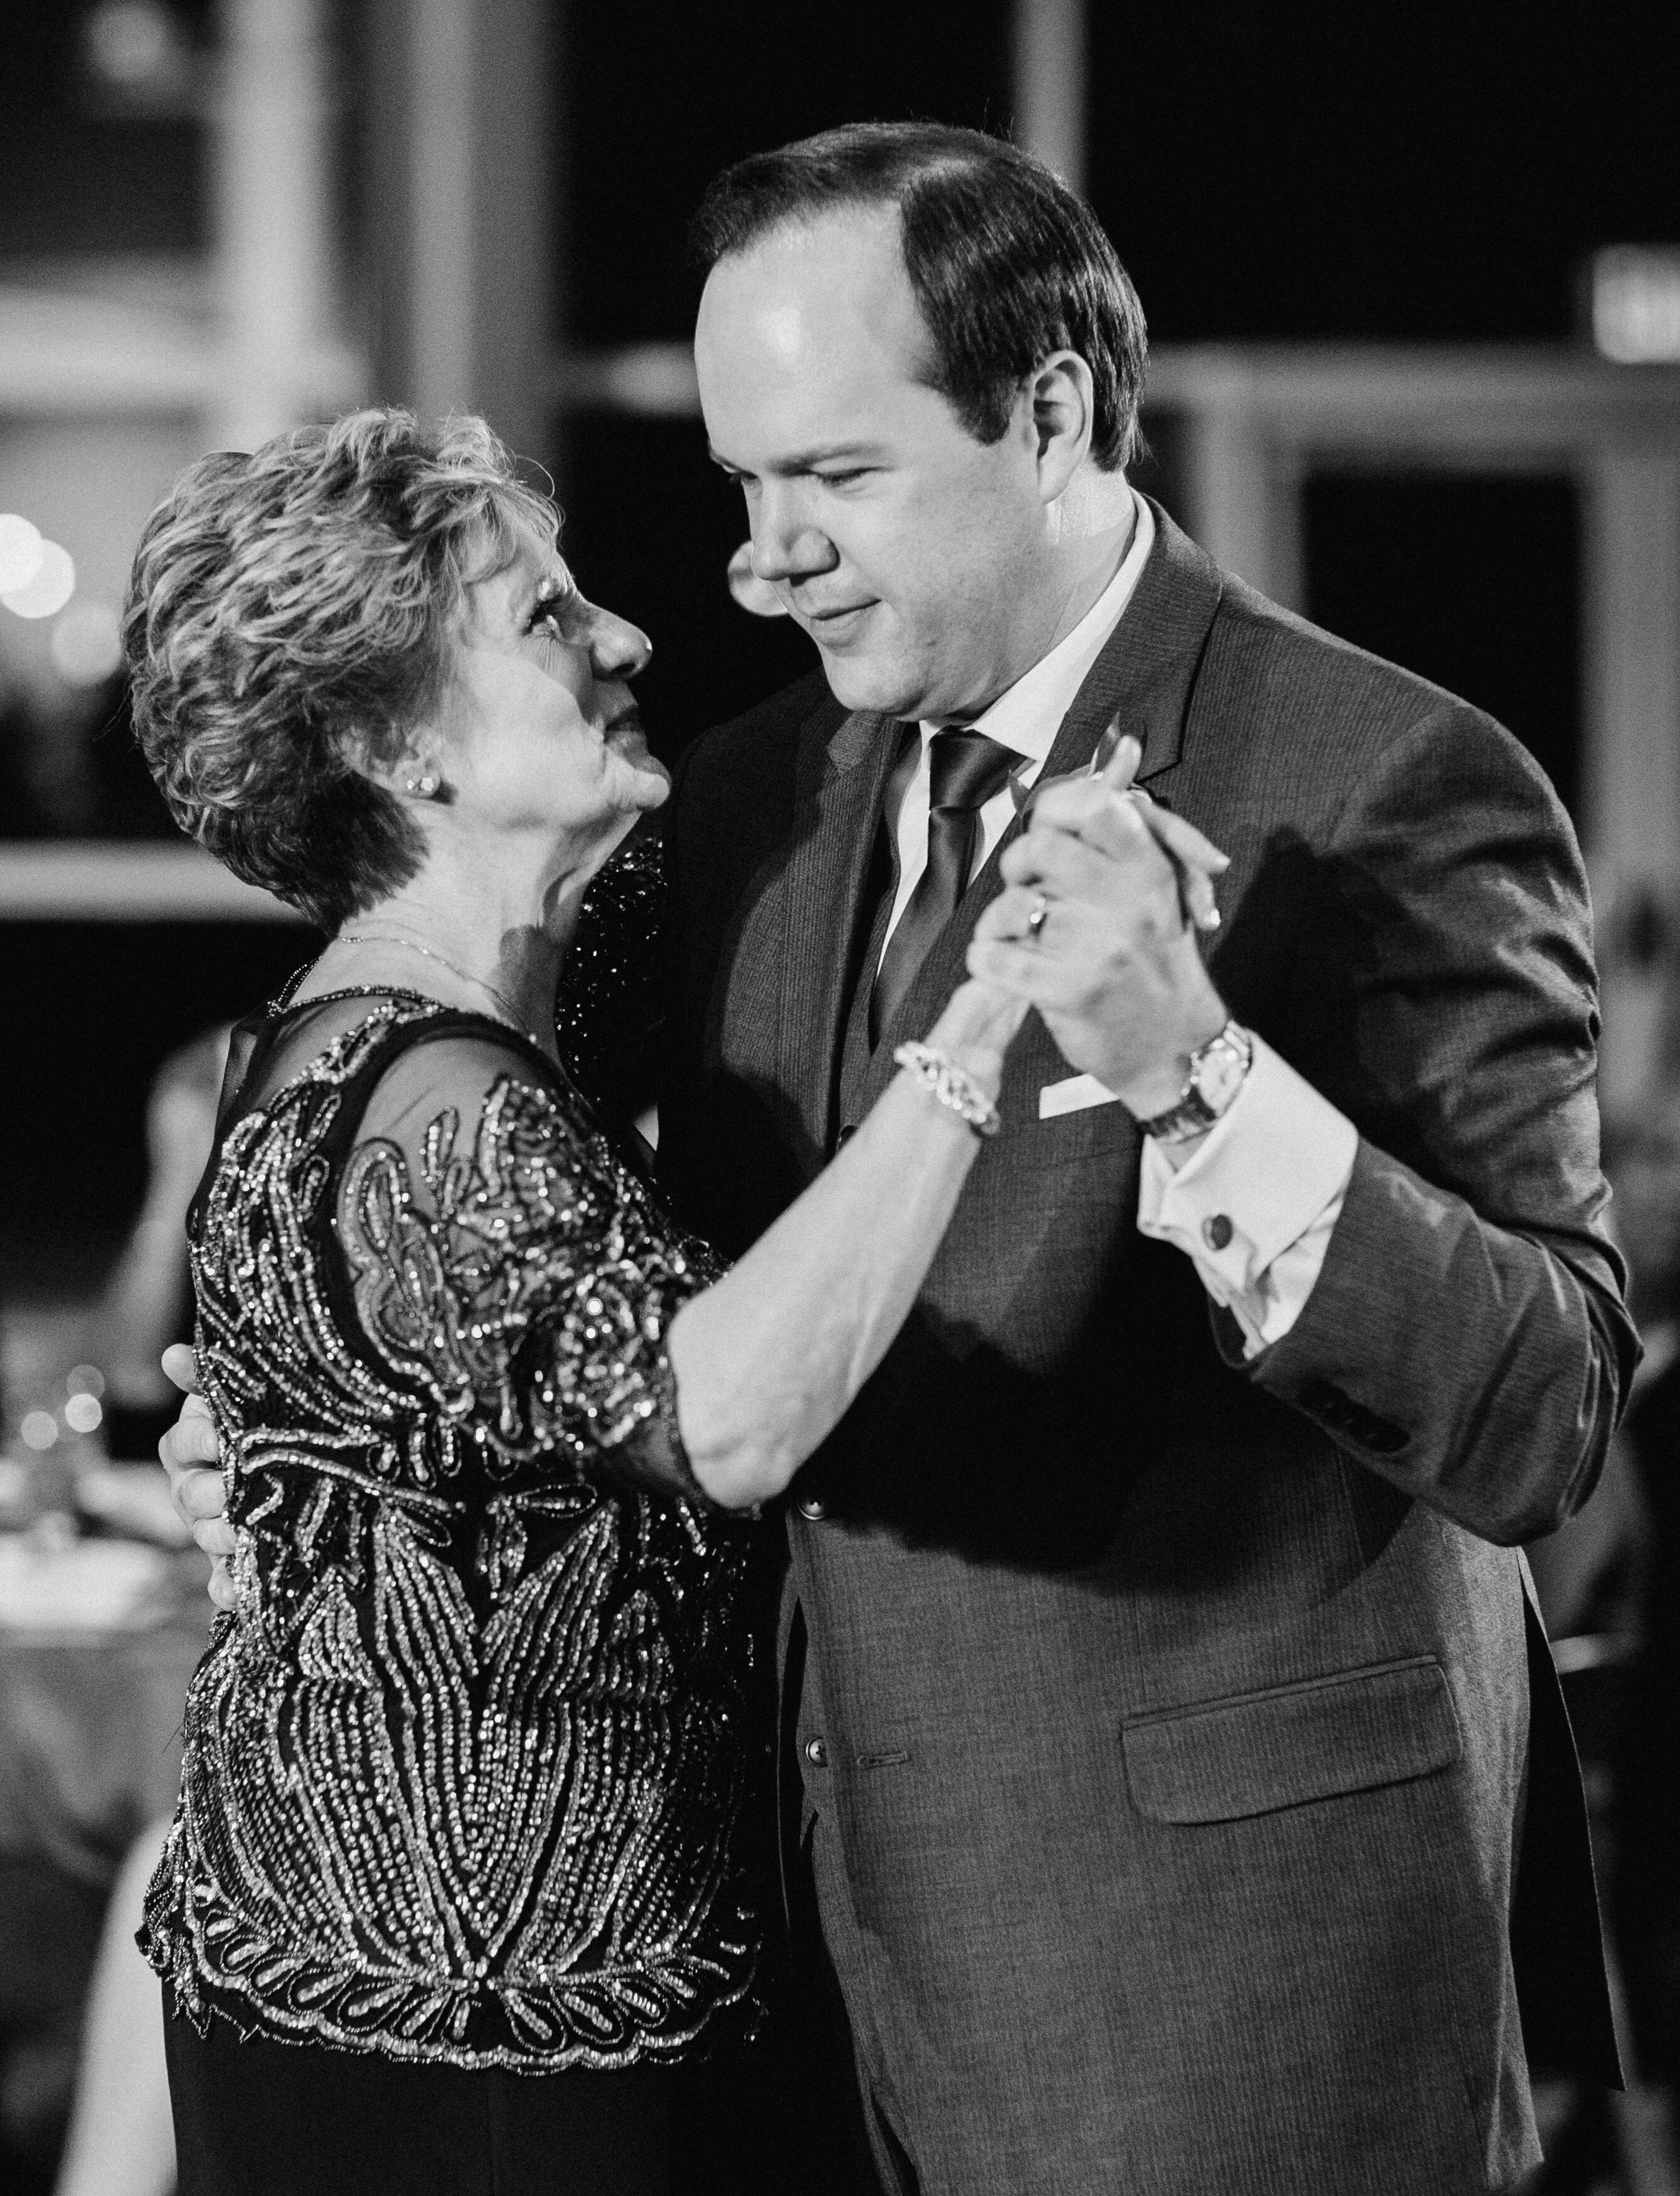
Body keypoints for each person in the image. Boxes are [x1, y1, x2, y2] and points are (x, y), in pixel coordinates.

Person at [166, 126, 1639, 2194]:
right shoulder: (750, 802)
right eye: (742, 487)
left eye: (834, 481)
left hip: (1227, 2005)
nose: (762, 564)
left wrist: (1199, 1074)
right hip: (791, 1998)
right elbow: (489, 1213)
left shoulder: (1384, 777)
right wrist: (309, 1435)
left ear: (1047, 417)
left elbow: (1548, 1416)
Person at [124, 405, 1033, 2196]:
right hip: (471, 2041)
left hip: (458, 1997)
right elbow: (719, 1418)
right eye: (544, 618)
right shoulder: (422, 1094)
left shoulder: (441, 1012)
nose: (625, 638)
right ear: (396, 742)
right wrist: (989, 1021)